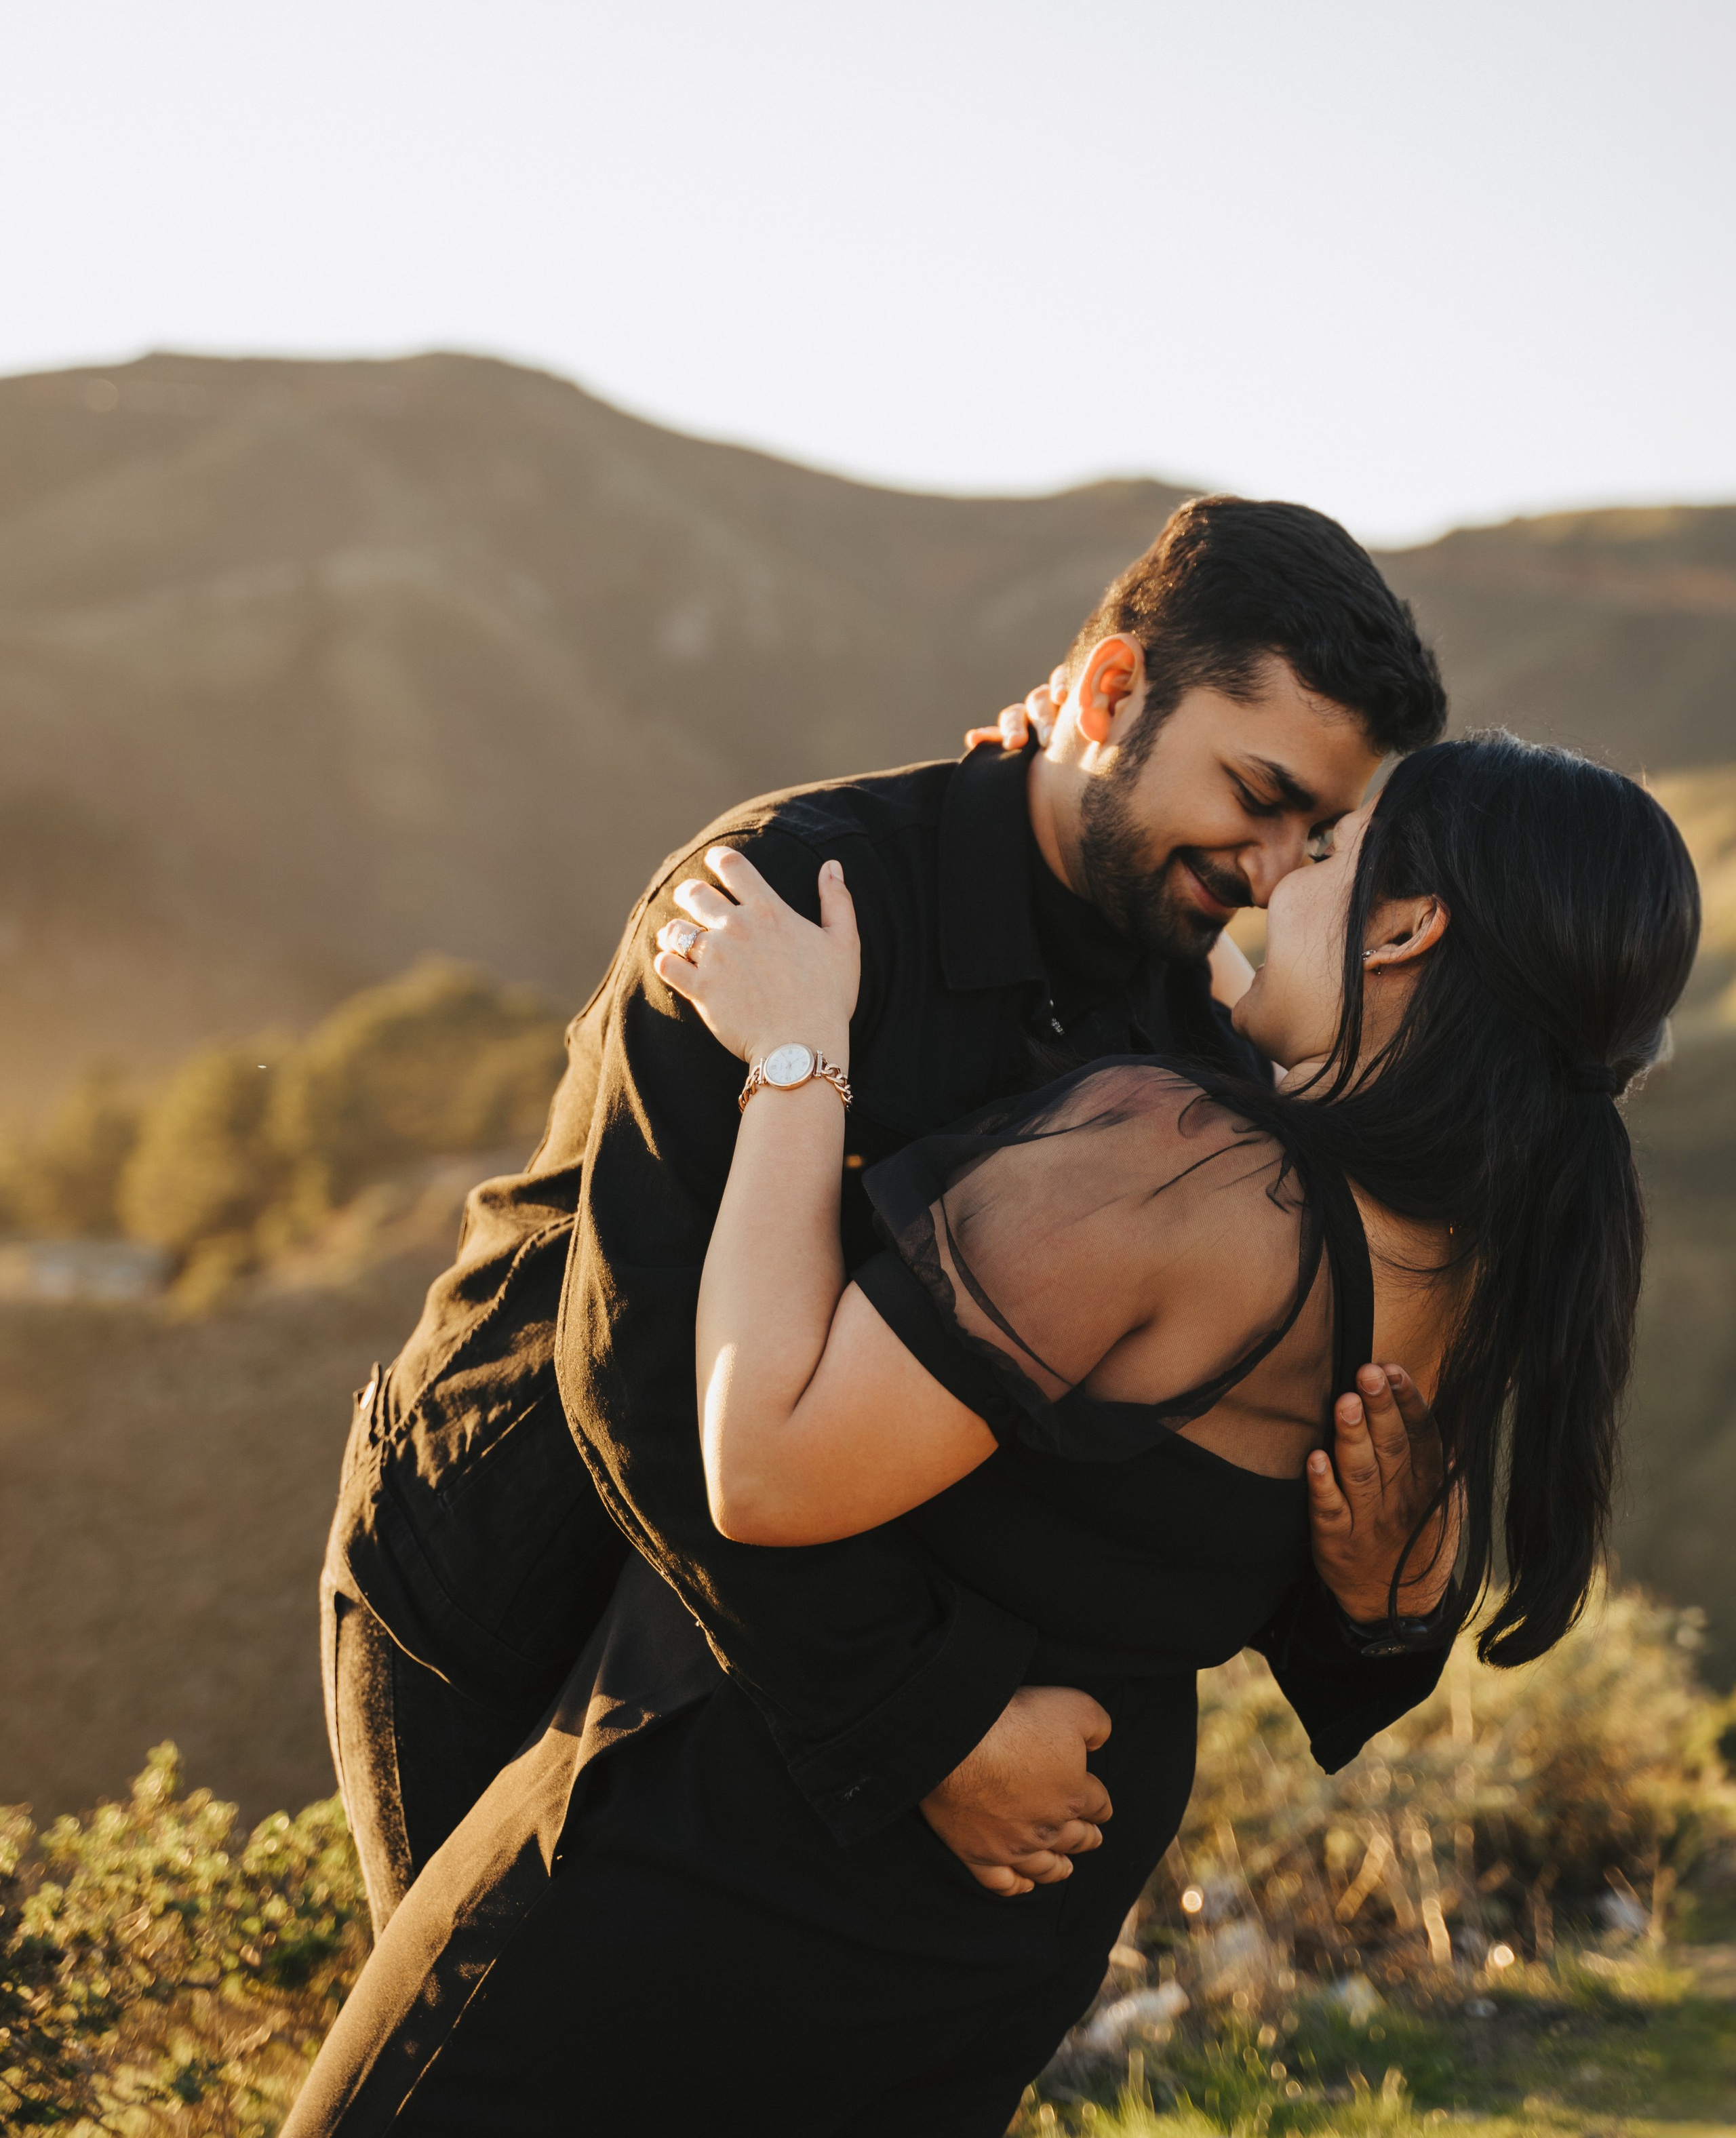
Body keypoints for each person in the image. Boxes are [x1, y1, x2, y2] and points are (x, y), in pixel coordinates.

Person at [286, 726, 1699, 2136]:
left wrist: (793, 1060)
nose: (1274, 885)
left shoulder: (1186, 1180)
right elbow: (1327, 1601)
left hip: (728, 1862)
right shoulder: (1475, 1270)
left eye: (1323, 851)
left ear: (1402, 927)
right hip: (991, 1945)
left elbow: (764, 1459)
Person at [320, 496, 1448, 1937]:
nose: (1272, 867)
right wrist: (933, 1724)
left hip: (783, 1658)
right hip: (515, 1570)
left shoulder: (1199, 1052)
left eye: (1318, 832)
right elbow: (644, 1360)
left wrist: (1378, 1601)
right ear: (1109, 692)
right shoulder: (782, 896)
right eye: (1253, 792)